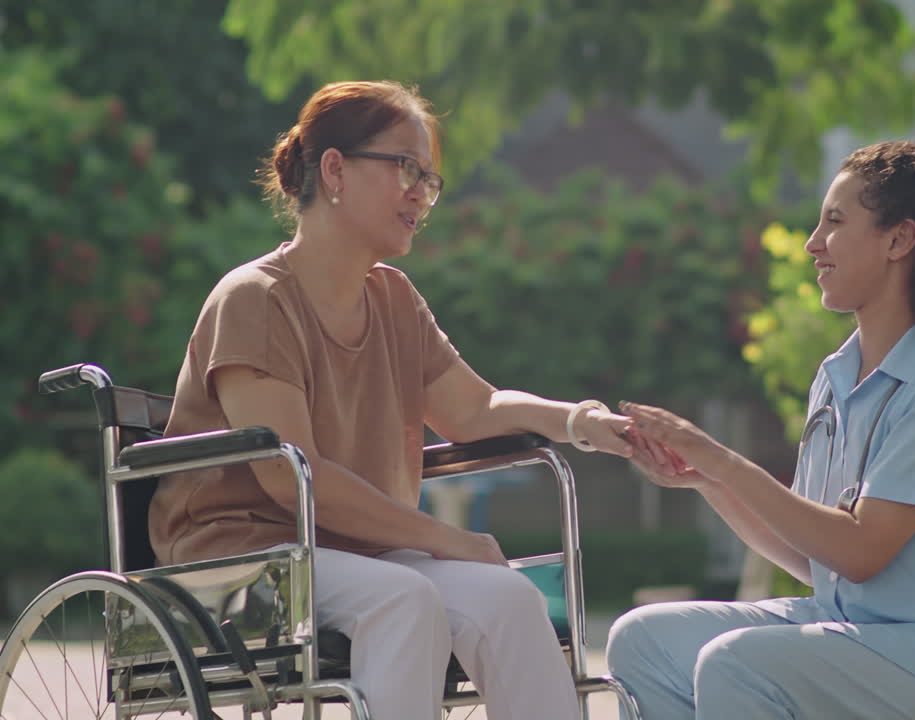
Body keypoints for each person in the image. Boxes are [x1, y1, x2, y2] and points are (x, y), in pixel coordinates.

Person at [148, 80, 634, 720]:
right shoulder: (255, 300)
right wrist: (444, 538)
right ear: (334, 169)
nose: (420, 194)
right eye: (405, 167)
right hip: (241, 560)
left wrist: (583, 422)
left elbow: (474, 410)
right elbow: (294, 479)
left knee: (509, 599)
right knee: (404, 600)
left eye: (428, 179)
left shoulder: (395, 300)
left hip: (355, 555)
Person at [609, 129, 915, 720]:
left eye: (835, 222)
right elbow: (814, 558)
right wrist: (704, 478)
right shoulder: (836, 376)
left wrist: (722, 460)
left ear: (899, 239)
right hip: (865, 632)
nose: (812, 244)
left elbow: (863, 551)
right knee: (642, 640)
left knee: (737, 663)